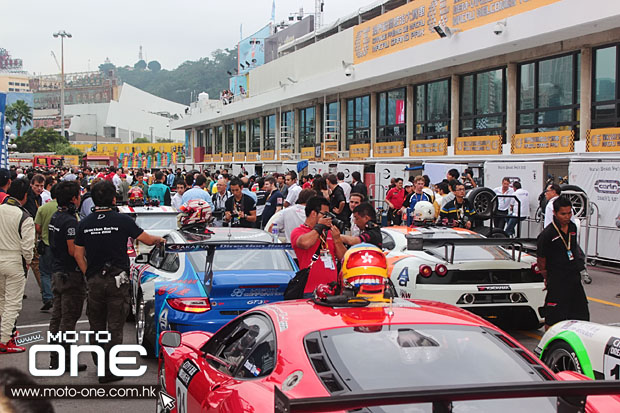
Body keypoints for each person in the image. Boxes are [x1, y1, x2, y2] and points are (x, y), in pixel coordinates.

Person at [73, 181, 164, 382]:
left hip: (95, 280)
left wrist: (90, 274)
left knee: (96, 325)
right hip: (118, 280)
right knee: (115, 326)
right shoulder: (123, 221)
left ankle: (100, 365)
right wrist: (162, 240)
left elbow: (78, 255)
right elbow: (147, 240)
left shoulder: (84, 224)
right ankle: (109, 369)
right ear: (114, 199)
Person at [47, 181, 87, 371]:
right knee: (68, 319)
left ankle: (55, 358)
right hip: (70, 275)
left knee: (57, 317)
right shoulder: (70, 221)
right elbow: (73, 251)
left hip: (57, 271)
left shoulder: (56, 216)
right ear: (73, 198)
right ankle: (66, 360)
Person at [537, 197, 589, 329]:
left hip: (573, 277)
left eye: (569, 213)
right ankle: (548, 344)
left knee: (581, 313)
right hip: (557, 280)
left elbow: (573, 249)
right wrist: (547, 277)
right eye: (563, 214)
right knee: (554, 316)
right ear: (554, 213)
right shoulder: (547, 234)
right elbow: (541, 259)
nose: (567, 217)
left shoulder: (572, 227)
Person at [0, 179, 35, 354]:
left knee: (1, 301)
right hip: (15, 260)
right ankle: (5, 339)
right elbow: (27, 247)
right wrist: (28, 261)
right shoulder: (24, 216)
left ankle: (4, 334)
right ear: (26, 195)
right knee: (13, 303)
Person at [291, 196, 346, 297]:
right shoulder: (299, 231)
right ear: (313, 213)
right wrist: (319, 227)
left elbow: (343, 258)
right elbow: (305, 243)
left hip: (331, 290)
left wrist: (337, 239)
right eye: (325, 214)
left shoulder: (329, 233)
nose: (328, 218)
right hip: (310, 291)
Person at [34, 184, 58, 311]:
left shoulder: (43, 208)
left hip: (46, 243)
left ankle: (48, 297)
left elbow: (37, 227)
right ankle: (59, 297)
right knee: (58, 271)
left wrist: (43, 233)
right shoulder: (64, 209)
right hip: (61, 245)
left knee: (45, 273)